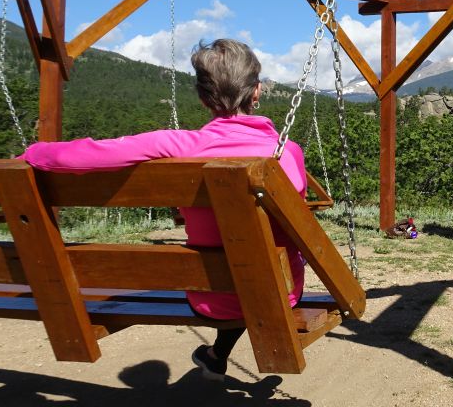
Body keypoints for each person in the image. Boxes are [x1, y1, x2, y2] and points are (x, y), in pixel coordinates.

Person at [20, 38, 307, 382]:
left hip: (209, 300)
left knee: (234, 277)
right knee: (259, 267)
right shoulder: (287, 153)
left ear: (203, 97)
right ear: (257, 91)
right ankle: (216, 355)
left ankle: (216, 356)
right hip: (281, 293)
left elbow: (85, 154)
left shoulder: (176, 146)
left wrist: (33, 154)